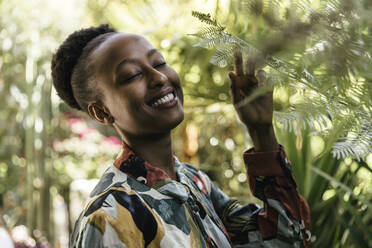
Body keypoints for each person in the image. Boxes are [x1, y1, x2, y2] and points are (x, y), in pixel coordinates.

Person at [51, 24, 310, 248]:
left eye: (158, 62)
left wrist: (261, 131)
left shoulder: (195, 183)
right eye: (133, 75)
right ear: (102, 112)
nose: (159, 77)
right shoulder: (110, 217)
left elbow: (287, 239)